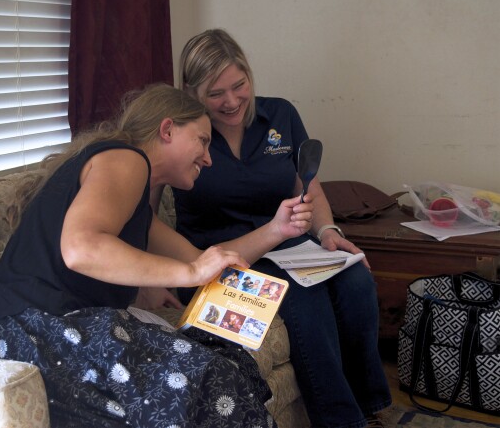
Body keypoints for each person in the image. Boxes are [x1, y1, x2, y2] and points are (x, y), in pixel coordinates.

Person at [0, 83, 313, 428]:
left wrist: (277, 230)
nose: (208, 157)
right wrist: (188, 271)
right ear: (168, 129)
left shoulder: (137, 202)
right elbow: (81, 249)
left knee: (227, 362)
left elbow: (203, 260)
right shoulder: (126, 159)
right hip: (28, 332)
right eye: (202, 141)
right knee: (209, 382)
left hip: (42, 329)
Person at [168, 28, 392, 428]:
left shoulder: (281, 115)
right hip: (225, 257)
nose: (232, 101)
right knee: (304, 300)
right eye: (216, 93)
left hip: (288, 242)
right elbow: (145, 206)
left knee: (357, 279)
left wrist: (327, 232)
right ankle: (340, 421)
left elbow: (309, 188)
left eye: (240, 85)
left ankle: (369, 404)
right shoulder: (184, 134)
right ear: (191, 91)